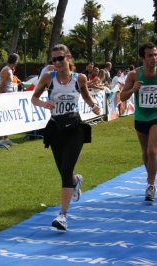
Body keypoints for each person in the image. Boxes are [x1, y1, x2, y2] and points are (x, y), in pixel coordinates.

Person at [31, 44, 101, 230]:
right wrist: (43, 103)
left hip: (75, 127)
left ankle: (62, 215)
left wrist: (94, 105)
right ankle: (76, 181)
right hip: (56, 128)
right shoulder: (48, 77)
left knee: (66, 169)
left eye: (60, 58)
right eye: (54, 59)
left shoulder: (80, 78)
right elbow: (34, 98)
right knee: (63, 169)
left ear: (68, 57)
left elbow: (86, 96)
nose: (57, 62)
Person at [120, 42, 157, 201]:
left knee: (152, 150)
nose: (154, 58)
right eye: (150, 55)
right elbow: (122, 97)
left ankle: (151, 185)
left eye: (156, 54)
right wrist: (132, 89)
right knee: (145, 152)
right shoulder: (134, 75)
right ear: (142, 58)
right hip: (141, 116)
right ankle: (151, 176)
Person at [0, 53, 20, 146]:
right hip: (4, 96)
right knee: (2, 118)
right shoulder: (7, 71)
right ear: (15, 61)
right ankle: (1, 140)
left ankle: (6, 138)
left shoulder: (9, 70)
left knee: (7, 118)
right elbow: (2, 85)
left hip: (8, 96)